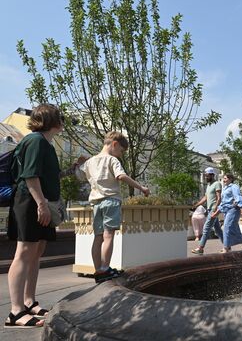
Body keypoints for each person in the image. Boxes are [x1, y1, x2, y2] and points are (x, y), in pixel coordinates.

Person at [5, 104, 68, 328]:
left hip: (40, 202)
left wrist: (71, 171)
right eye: (60, 117)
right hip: (30, 201)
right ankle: (15, 312)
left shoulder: (46, 144)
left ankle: (29, 302)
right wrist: (41, 204)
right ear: (52, 120)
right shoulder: (35, 141)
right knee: (24, 251)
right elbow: (30, 175)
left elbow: (46, 174)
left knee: (37, 250)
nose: (63, 120)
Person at [75, 131, 150, 283]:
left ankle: (98, 270)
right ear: (115, 144)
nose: (121, 155)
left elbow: (79, 176)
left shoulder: (90, 162)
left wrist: (78, 165)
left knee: (98, 237)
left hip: (96, 203)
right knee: (109, 236)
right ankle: (105, 268)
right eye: (121, 151)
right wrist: (141, 187)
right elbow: (121, 176)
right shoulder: (112, 160)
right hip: (111, 201)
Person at [210, 173, 242, 253]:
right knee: (235, 229)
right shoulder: (225, 188)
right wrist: (216, 212)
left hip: (233, 210)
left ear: (230, 179)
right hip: (227, 211)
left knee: (226, 228)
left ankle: (226, 248)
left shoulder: (234, 187)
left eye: (225, 178)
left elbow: (238, 197)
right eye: (223, 179)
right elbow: (224, 203)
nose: (224, 180)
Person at [191, 167, 223, 255]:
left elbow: (219, 198)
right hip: (209, 210)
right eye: (205, 176)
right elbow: (206, 198)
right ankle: (227, 246)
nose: (206, 177)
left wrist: (215, 208)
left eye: (207, 175)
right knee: (218, 230)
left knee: (206, 228)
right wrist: (196, 205)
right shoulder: (209, 186)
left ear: (212, 175)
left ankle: (201, 248)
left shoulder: (217, 184)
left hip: (213, 210)